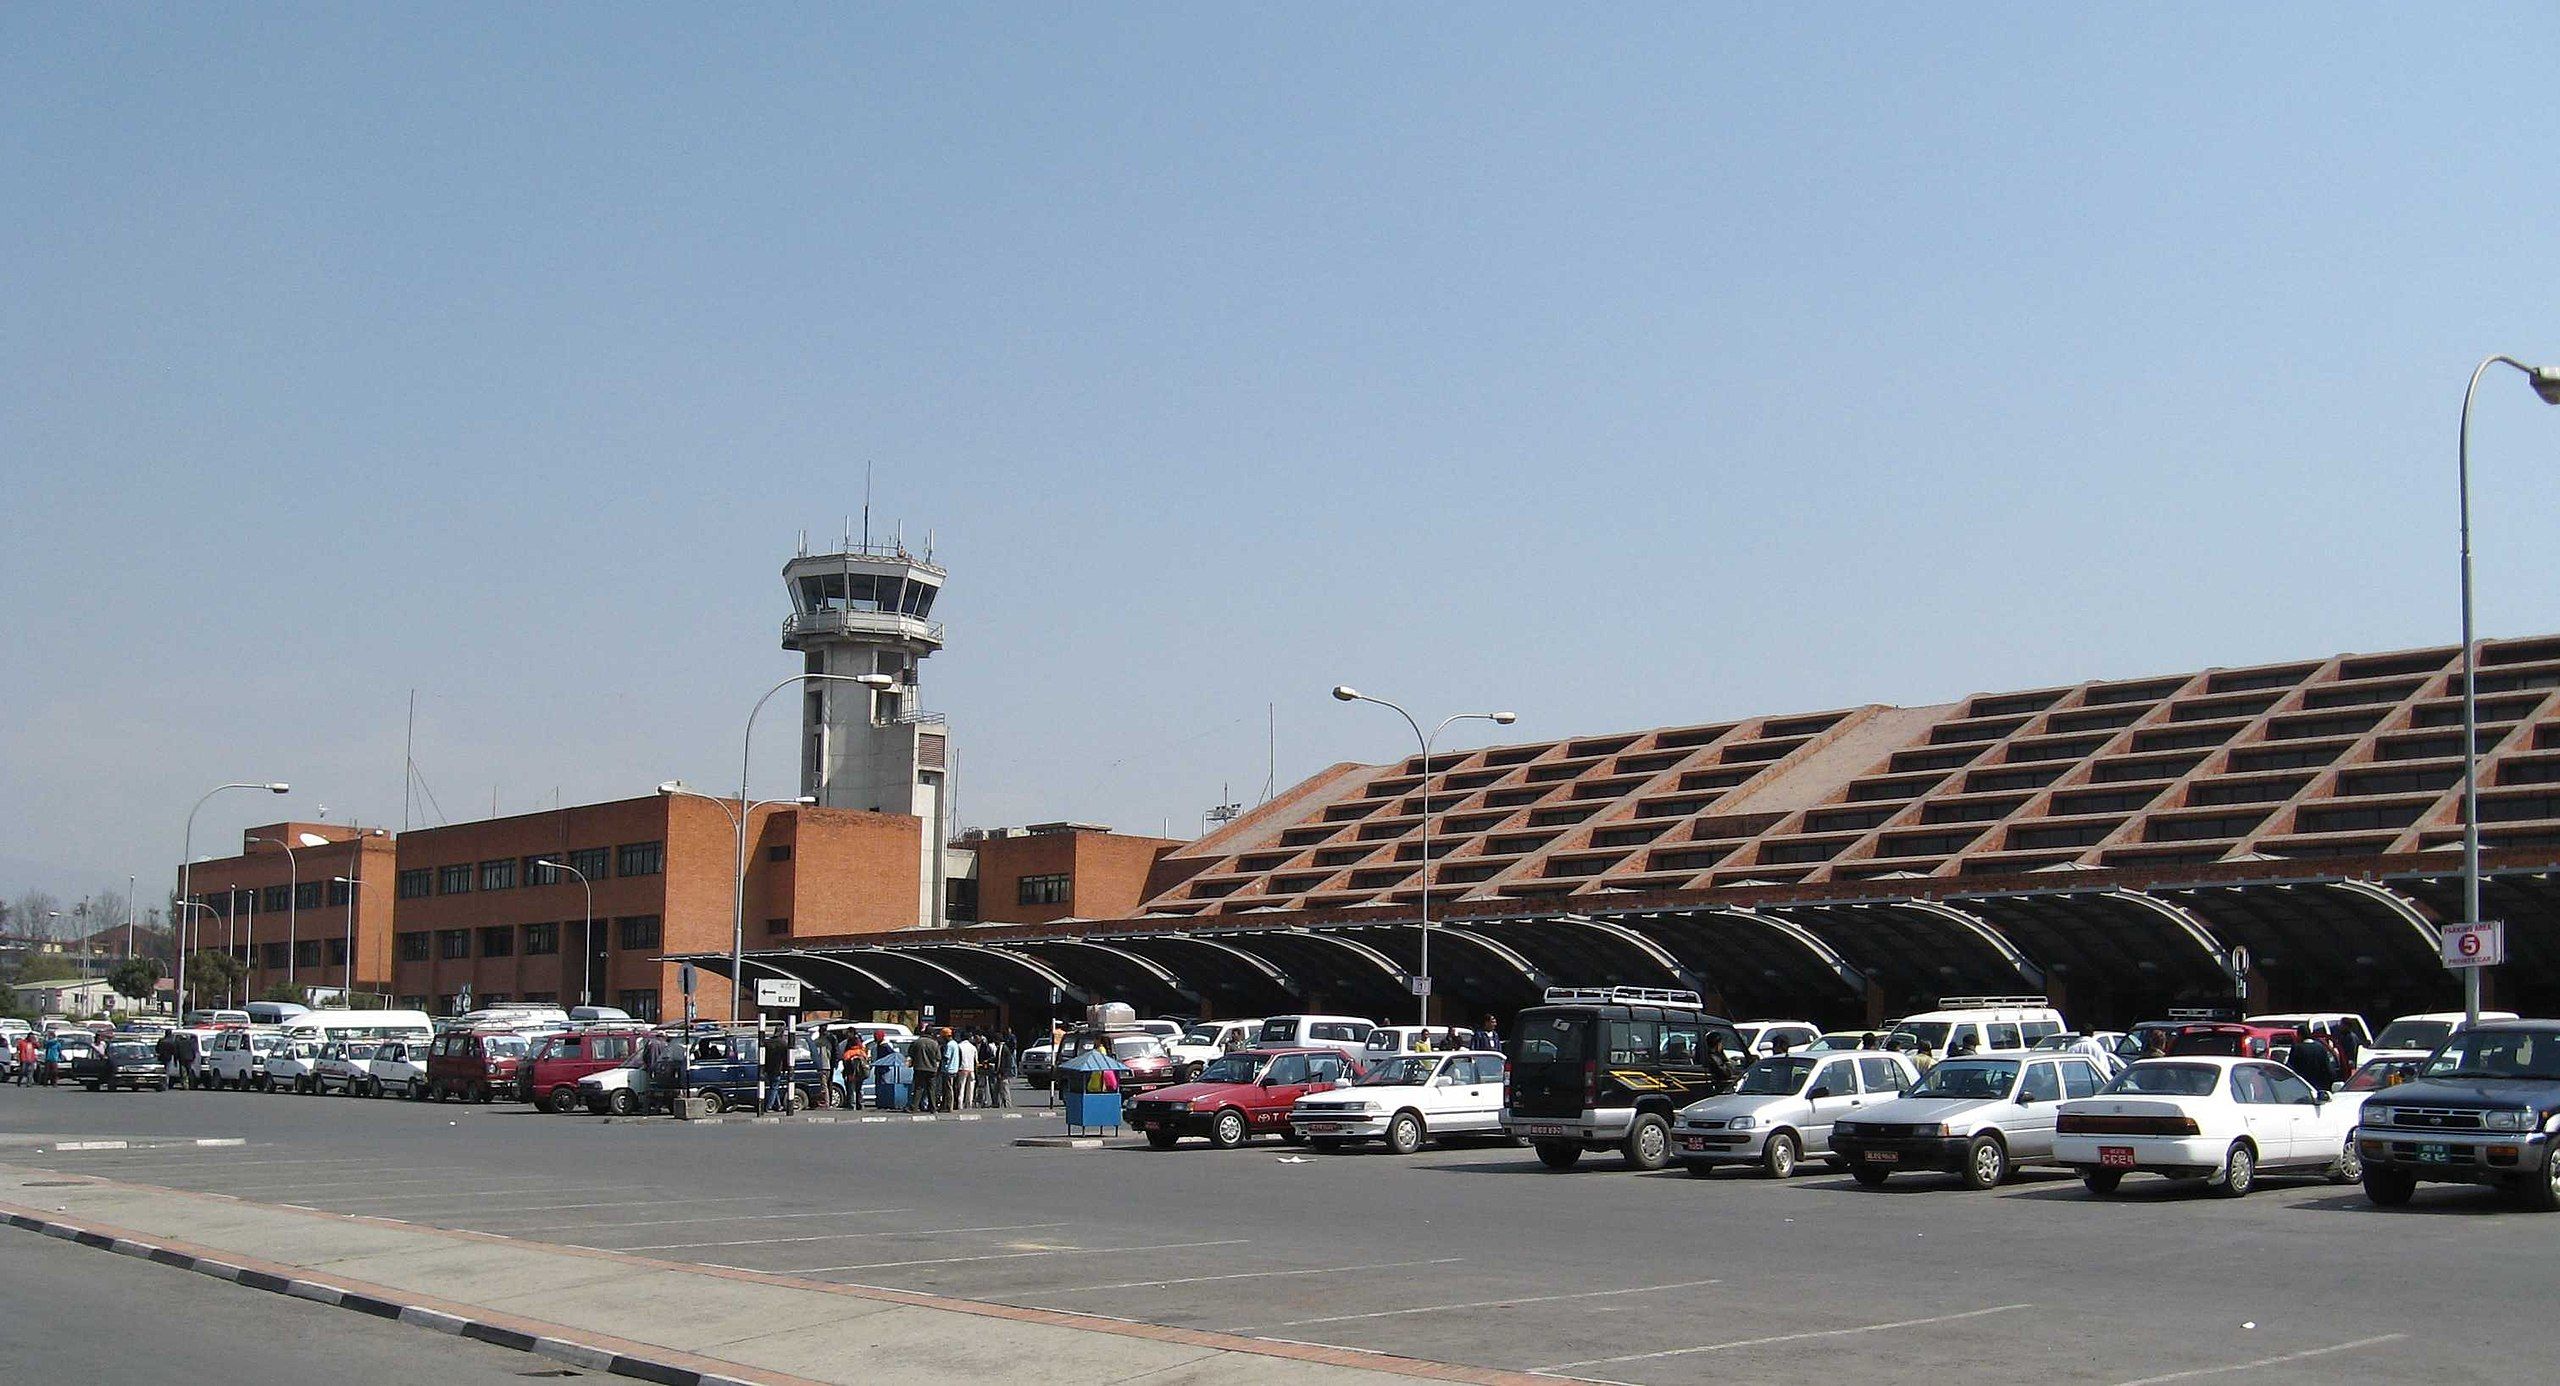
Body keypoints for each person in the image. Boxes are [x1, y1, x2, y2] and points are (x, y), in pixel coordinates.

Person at [2288, 1025, 2338, 1091]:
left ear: (2300, 1035)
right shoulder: (2320, 1047)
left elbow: (2291, 1067)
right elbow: (2327, 1067)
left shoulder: (2297, 1048)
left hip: (2303, 1085)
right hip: (2320, 1085)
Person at [760, 1025, 793, 1114]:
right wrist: (787, 1069)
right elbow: (786, 1059)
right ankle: (769, 1106)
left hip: (767, 1069)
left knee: (774, 1087)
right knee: (774, 1088)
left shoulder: (767, 1042)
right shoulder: (783, 1044)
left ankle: (778, 1105)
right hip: (777, 1069)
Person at [909, 1028, 943, 1113]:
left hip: (919, 1068)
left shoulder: (917, 1042)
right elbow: (938, 1057)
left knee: (918, 1088)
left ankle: (914, 1107)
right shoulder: (935, 1044)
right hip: (931, 1069)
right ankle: (933, 1108)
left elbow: (910, 1053)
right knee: (931, 1089)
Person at [842, 1035, 870, 1111]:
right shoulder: (862, 1052)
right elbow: (866, 1061)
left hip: (851, 1075)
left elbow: (845, 1064)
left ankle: (852, 1105)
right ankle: (860, 1105)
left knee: (852, 1090)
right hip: (861, 1074)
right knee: (859, 1089)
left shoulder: (848, 1053)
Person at [950, 1030, 977, 1110]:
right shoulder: (973, 1047)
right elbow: (976, 1060)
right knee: (971, 1088)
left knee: (961, 1087)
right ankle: (969, 1103)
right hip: (971, 1069)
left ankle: (960, 1104)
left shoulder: (959, 1046)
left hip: (962, 1069)